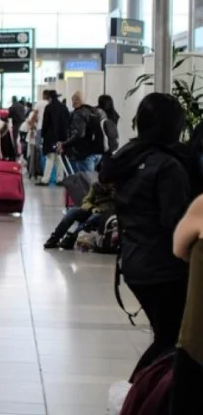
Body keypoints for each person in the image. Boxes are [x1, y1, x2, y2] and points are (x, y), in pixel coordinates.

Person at [100, 93, 200, 378]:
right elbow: (175, 222)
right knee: (170, 340)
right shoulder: (168, 166)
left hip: (135, 261)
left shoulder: (130, 157)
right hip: (163, 267)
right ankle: (136, 396)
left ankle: (137, 396)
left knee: (166, 336)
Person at [44, 180, 115, 249]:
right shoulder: (96, 186)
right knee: (72, 212)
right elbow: (86, 201)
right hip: (93, 209)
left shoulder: (119, 187)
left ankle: (71, 238)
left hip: (108, 214)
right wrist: (92, 208)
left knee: (92, 219)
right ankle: (54, 238)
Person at [58, 91, 106, 173]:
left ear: (75, 101)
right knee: (88, 179)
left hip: (84, 153)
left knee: (83, 182)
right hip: (98, 151)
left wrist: (64, 144)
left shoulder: (78, 114)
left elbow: (79, 134)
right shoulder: (95, 111)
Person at [39, 90, 70, 185]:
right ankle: (60, 179)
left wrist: (42, 134)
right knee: (59, 157)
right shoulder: (64, 107)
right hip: (62, 137)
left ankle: (45, 180)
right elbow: (68, 122)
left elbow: (46, 123)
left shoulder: (49, 108)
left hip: (51, 137)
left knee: (50, 157)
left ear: (50, 98)